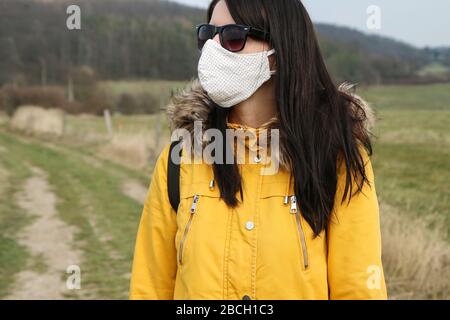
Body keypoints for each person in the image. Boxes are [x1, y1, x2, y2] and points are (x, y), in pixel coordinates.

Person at [130, 0, 387, 300]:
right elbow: (149, 288)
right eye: (206, 35)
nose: (213, 47)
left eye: (232, 37)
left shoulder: (335, 157)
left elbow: (358, 290)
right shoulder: (182, 157)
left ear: (282, 48)